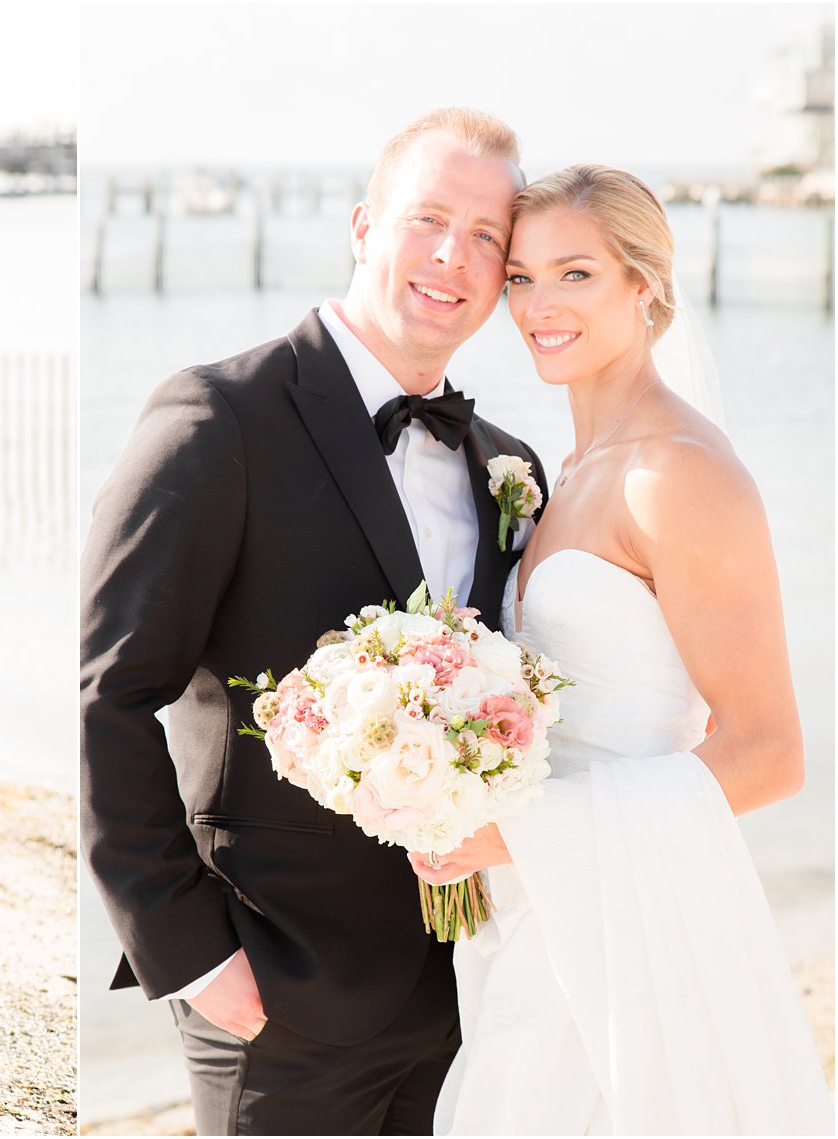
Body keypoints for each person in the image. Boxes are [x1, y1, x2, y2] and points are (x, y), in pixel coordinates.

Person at [81, 108, 545, 1135]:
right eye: (427, 217)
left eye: (485, 237)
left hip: (466, 988)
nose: (449, 256)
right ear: (361, 225)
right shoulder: (216, 418)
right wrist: (191, 954)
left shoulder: (506, 464)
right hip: (276, 993)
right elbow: (107, 694)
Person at [413, 164, 832, 1134]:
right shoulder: (559, 472)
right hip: (534, 909)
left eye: (574, 274)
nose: (536, 306)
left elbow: (768, 753)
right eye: (518, 277)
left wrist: (515, 830)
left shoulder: (676, 475)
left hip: (627, 913)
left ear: (642, 284)